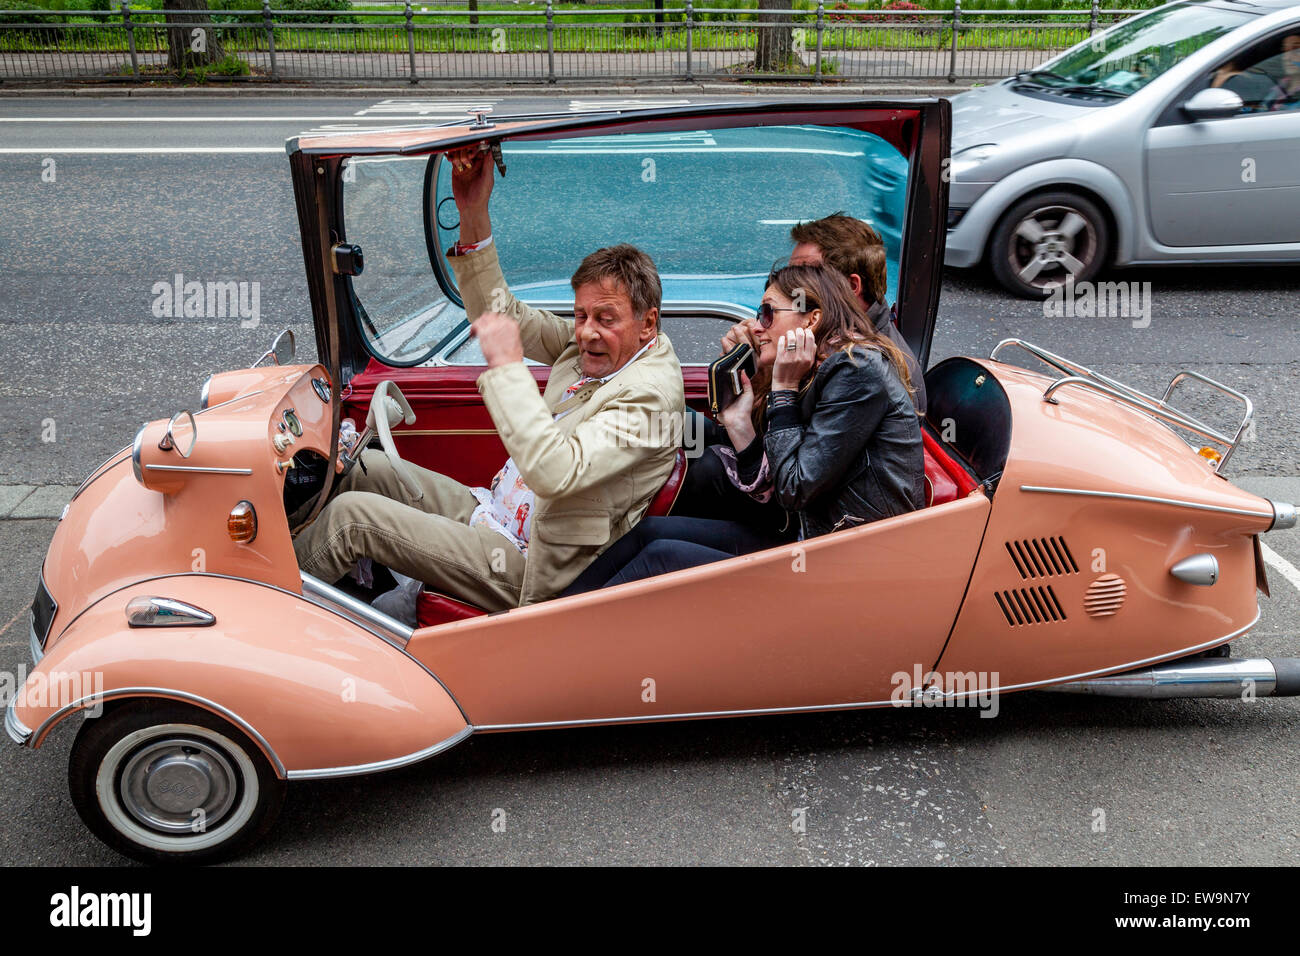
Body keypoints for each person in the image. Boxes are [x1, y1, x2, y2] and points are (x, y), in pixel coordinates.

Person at [293, 144, 685, 613]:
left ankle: (260, 616)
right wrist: (472, 211)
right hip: (497, 514)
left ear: (649, 323)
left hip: (529, 567)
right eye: (580, 315)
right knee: (361, 470)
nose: (586, 332)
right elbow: (504, 315)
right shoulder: (602, 351)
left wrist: (507, 366)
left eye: (606, 317)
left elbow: (555, 471)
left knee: (351, 521)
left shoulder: (650, 397)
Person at [563, 263, 924, 594]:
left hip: (846, 563)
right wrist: (740, 414)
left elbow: (794, 487)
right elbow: (768, 483)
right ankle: (544, 616)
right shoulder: (812, 368)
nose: (756, 326)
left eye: (768, 313)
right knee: (650, 535)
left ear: (812, 319)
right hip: (802, 534)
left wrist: (781, 388)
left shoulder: (856, 369)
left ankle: (550, 642)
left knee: (661, 559)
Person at [788, 212, 927, 415]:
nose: (790, 287)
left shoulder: (861, 369)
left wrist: (785, 385)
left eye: (805, 275)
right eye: (789, 273)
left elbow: (808, 444)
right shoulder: (835, 336)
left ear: (852, 286)